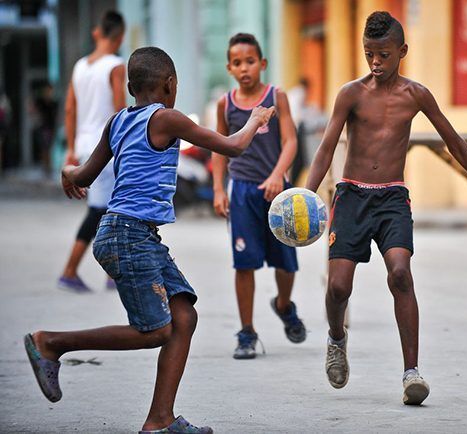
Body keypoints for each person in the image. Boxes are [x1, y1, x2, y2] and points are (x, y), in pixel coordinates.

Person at [24, 46, 275, 433]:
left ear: (129, 87)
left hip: (132, 234)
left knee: (184, 318)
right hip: (129, 236)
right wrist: (256, 119)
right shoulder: (167, 118)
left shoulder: (118, 121)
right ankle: (52, 343)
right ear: (171, 84)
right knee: (156, 331)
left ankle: (160, 421)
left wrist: (68, 171)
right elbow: (234, 146)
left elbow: (85, 175)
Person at [305, 11, 467, 406]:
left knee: (401, 274)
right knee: (338, 286)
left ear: (402, 51)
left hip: (392, 200)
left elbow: (454, 142)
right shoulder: (350, 93)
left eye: (383, 54)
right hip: (351, 196)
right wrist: (305, 194)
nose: (376, 62)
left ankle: (411, 373)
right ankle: (336, 339)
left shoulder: (416, 95)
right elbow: (327, 147)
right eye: (369, 54)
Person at [212, 33, 307, 360]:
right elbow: (219, 150)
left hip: (278, 193)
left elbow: (291, 141)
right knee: (244, 264)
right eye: (237, 63)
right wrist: (217, 189)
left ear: (262, 63)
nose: (244, 68)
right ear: (229, 68)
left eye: (250, 61)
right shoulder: (226, 103)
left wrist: (277, 175)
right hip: (242, 192)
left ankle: (283, 305)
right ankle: (247, 332)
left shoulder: (275, 97)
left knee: (286, 262)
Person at [58, 10, 127, 293]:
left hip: (85, 145)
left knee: (107, 208)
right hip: (105, 147)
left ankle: (112, 274)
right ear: (120, 36)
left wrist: (71, 149)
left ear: (98, 33)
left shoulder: (80, 66)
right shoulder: (116, 65)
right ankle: (70, 270)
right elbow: (121, 110)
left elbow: (70, 108)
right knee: (101, 210)